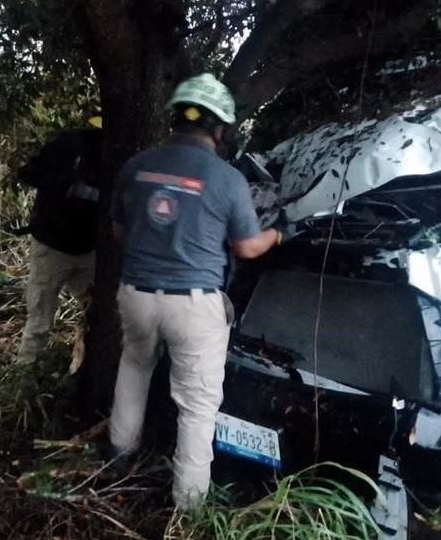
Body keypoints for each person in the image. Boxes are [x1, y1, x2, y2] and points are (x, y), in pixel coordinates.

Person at [107, 74, 290, 509]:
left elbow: (119, 233)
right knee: (197, 406)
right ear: (221, 129)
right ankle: (187, 510)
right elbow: (247, 247)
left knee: (133, 371)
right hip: (193, 307)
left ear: (176, 119)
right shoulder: (226, 179)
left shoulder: (135, 167)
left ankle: (115, 463)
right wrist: (279, 236)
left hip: (136, 295)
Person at [13, 117, 103, 365]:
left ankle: (83, 371)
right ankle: (24, 379)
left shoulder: (122, 154)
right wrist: (68, 186)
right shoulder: (69, 145)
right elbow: (29, 173)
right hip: (52, 247)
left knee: (97, 315)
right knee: (39, 322)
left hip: (88, 250)